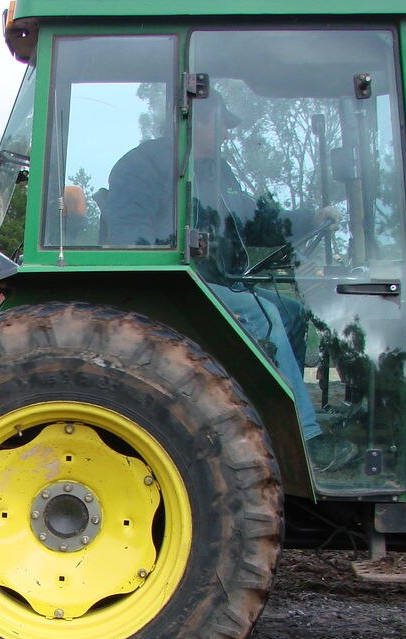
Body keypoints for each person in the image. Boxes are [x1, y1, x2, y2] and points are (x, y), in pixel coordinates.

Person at [106, 91, 353, 470]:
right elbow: (127, 238)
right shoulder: (142, 167)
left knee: (291, 313)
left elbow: (256, 220)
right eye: (221, 126)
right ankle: (303, 443)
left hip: (218, 282)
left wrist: (310, 218)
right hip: (172, 289)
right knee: (264, 315)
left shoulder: (218, 173)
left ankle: (272, 419)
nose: (225, 135)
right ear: (193, 120)